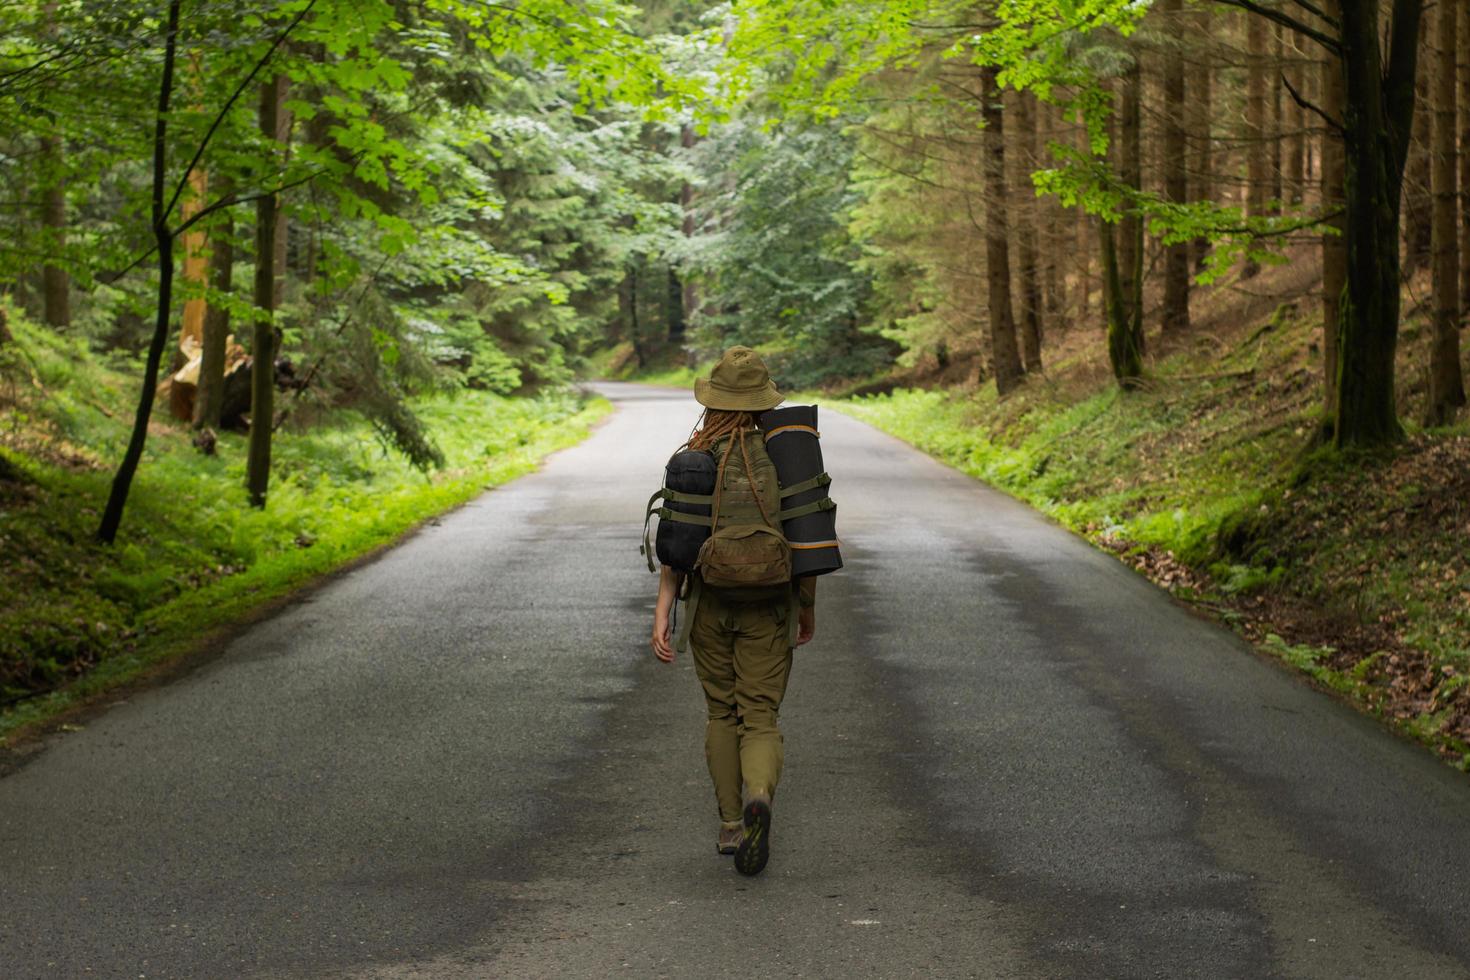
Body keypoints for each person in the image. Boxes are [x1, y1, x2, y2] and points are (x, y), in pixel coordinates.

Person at [650, 347, 817, 877]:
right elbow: (809, 537)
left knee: (723, 713)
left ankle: (730, 826)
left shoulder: (693, 458)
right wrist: (806, 607)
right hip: (770, 603)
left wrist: (663, 614)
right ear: (763, 402)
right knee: (761, 715)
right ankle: (760, 794)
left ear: (714, 400)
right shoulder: (787, 457)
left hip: (708, 604)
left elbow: (675, 546)